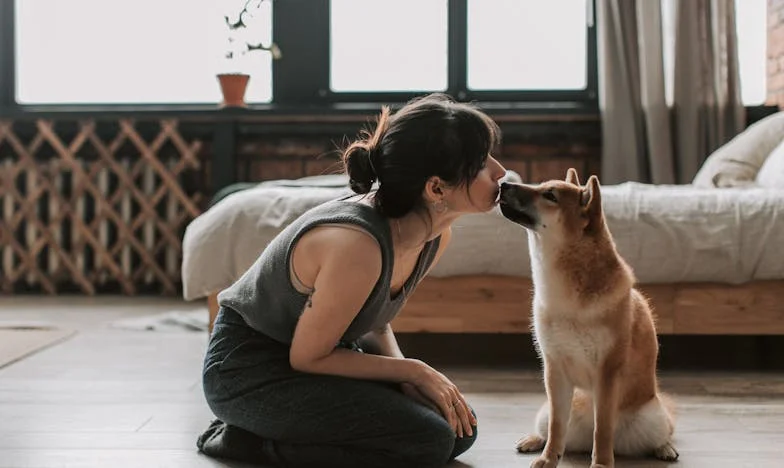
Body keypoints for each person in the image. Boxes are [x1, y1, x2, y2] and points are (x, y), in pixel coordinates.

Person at [197, 92, 508, 468]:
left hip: (318, 359)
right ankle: (244, 441)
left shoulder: (434, 235)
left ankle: (275, 431)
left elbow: (375, 322)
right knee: (430, 439)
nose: (500, 171)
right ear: (436, 188)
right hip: (248, 372)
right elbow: (308, 356)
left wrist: (408, 381)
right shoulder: (356, 245)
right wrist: (414, 371)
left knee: (459, 431)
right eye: (482, 163)